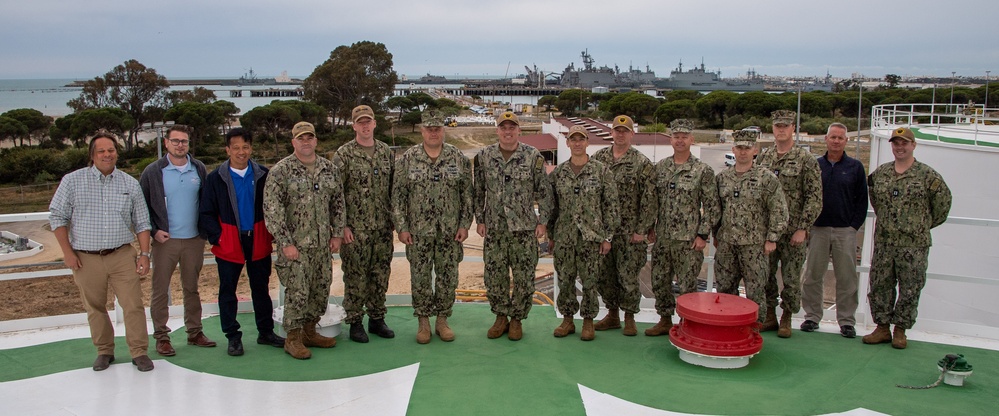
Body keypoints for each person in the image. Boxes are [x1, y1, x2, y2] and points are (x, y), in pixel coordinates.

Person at [49, 130, 154, 372]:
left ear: (117, 153)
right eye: (101, 151)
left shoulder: (130, 183)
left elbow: (142, 222)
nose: (107, 155)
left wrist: (144, 254)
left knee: (133, 305)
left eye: (111, 150)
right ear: (92, 155)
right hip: (85, 258)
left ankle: (139, 352)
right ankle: (104, 350)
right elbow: (57, 217)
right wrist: (67, 252)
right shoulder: (72, 181)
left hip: (121, 255)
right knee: (95, 307)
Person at [863, 126, 951, 349]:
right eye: (896, 143)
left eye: (904, 143)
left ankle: (900, 330)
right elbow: (876, 201)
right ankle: (882, 327)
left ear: (913, 145)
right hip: (885, 242)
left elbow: (943, 205)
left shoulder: (927, 175)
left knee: (910, 287)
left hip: (914, 245)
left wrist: (921, 225)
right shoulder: (881, 174)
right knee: (880, 284)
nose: (900, 147)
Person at [199, 127, 285, 356]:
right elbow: (205, 212)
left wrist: (270, 233)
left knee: (261, 289)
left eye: (245, 147)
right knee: (228, 291)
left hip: (258, 241)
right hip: (229, 243)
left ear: (251, 148)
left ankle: (265, 332)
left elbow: (274, 207)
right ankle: (233, 336)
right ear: (227, 149)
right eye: (235, 147)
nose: (241, 152)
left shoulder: (263, 174)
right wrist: (218, 237)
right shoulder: (215, 178)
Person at [263, 121, 345, 359]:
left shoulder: (329, 169)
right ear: (293, 142)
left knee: (320, 290)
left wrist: (337, 233)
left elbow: (338, 203)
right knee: (298, 293)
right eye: (301, 138)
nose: (306, 142)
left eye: (310, 137)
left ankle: (310, 331)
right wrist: (285, 243)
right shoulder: (281, 171)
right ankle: (293, 338)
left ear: (316, 141)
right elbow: (272, 210)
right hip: (295, 248)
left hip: (322, 246)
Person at [391, 110, 473, 344]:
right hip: (418, 233)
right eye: (429, 128)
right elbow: (397, 197)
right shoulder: (408, 159)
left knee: (448, 278)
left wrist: (465, 224)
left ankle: (442, 320)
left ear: (443, 130)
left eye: (437, 128)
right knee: (420, 278)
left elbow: (468, 195)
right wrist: (402, 227)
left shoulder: (458, 158)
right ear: (422, 130)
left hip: (450, 232)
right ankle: (424, 321)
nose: (434, 132)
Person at [473, 111, 553, 341]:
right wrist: (479, 219)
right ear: (497, 130)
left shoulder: (532, 156)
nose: (508, 132)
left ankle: (517, 318)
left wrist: (543, 222)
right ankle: (500, 317)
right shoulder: (484, 156)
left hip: (524, 229)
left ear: (519, 130)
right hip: (495, 228)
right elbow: (478, 191)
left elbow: (544, 192)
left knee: (524, 276)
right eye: (503, 127)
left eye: (512, 127)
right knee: (495, 276)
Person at [139, 124, 216, 355]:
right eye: (175, 141)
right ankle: (162, 337)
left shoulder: (199, 168)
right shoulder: (152, 172)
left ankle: (195, 332)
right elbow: (140, 207)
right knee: (160, 290)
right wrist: (154, 231)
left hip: (194, 240)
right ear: (166, 143)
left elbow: (207, 202)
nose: (180, 145)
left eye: (184, 141)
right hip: (165, 241)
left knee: (191, 288)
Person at [645, 119, 720, 336]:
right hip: (663, 238)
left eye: (684, 136)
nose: (680, 140)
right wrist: (650, 227)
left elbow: (711, 206)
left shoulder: (702, 170)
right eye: (676, 136)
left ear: (691, 139)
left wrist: (702, 235)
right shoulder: (661, 168)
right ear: (671, 140)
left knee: (687, 286)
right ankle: (665, 319)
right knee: (660, 281)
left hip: (688, 240)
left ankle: (688, 323)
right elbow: (653, 201)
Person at [332, 105, 396, 343]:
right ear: (354, 125)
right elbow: (337, 194)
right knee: (355, 276)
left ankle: (377, 319)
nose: (365, 126)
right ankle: (355, 321)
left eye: (368, 121)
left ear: (375, 123)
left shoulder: (386, 152)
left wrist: (394, 220)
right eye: (360, 122)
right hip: (355, 230)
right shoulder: (344, 154)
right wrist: (343, 226)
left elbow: (393, 189)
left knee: (380, 274)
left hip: (382, 228)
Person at [755, 110, 822, 338]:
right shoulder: (764, 158)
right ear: (772, 129)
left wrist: (803, 228)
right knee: (766, 275)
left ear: (793, 128)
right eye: (777, 126)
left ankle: (787, 317)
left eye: (786, 125)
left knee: (792, 278)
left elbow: (814, 197)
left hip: (794, 231)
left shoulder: (806, 160)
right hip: (768, 231)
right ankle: (770, 315)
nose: (781, 129)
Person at [549, 125, 619, 341]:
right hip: (565, 236)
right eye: (573, 139)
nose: (577, 143)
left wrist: (608, 237)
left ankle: (588, 320)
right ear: (568, 143)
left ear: (588, 143)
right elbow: (552, 207)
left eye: (581, 139)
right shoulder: (559, 174)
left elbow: (611, 206)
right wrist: (551, 235)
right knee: (566, 279)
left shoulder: (601, 171)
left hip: (592, 237)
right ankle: (568, 319)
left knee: (590, 280)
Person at [800, 123, 868, 338]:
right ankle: (811, 317)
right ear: (826, 139)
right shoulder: (815, 165)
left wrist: (853, 227)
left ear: (846, 141)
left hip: (844, 231)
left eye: (840, 138)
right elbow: (806, 195)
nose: (836, 141)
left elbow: (862, 201)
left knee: (847, 278)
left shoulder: (855, 167)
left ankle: (847, 321)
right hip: (818, 229)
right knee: (812, 276)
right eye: (833, 137)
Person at [714, 130, 788, 326]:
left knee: (755, 291)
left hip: (754, 245)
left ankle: (754, 328)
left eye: (747, 148)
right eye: (739, 148)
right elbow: (716, 210)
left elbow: (779, 209)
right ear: (733, 150)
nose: (743, 152)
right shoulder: (723, 178)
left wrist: (772, 238)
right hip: (727, 244)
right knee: (725, 288)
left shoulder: (766, 178)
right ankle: (728, 325)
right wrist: (716, 234)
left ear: (755, 150)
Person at [590, 115, 653, 336]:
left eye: (625, 131)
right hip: (604, 230)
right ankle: (613, 315)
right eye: (617, 130)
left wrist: (641, 230)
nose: (620, 134)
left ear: (631, 134)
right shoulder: (598, 159)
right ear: (612, 133)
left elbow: (648, 199)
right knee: (605, 275)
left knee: (628, 277)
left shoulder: (641, 163)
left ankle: (629, 317)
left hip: (629, 232)